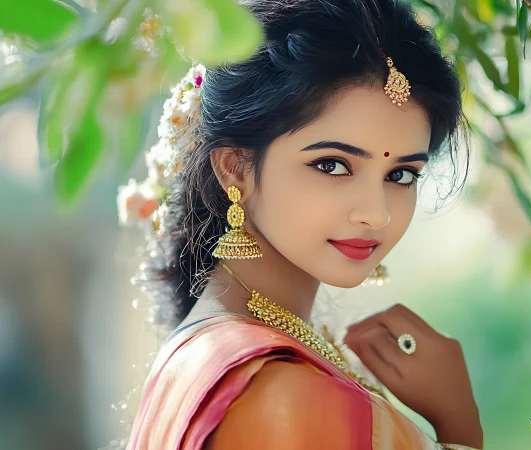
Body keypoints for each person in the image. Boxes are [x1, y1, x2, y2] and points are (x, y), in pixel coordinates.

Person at [123, 0, 482, 448]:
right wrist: (459, 423)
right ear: (234, 168)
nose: (377, 214)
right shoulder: (280, 392)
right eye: (332, 165)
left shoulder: (218, 349)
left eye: (401, 175)